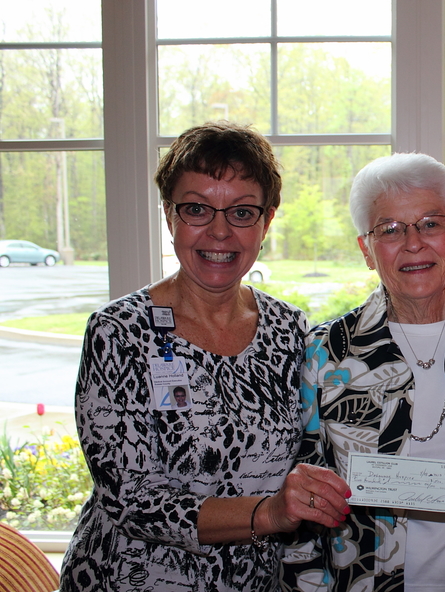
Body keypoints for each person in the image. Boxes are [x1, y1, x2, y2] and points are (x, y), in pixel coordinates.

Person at [61, 122, 351, 592]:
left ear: (266, 222)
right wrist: (268, 513)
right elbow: (131, 500)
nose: (219, 231)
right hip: (131, 579)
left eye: (242, 212)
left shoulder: (290, 330)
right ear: (169, 215)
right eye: (196, 209)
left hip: (252, 581)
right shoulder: (119, 332)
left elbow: (322, 447)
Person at [281, 153, 445, 591]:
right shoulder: (327, 352)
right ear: (366, 250)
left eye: (430, 223)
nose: (413, 243)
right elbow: (305, 508)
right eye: (390, 229)